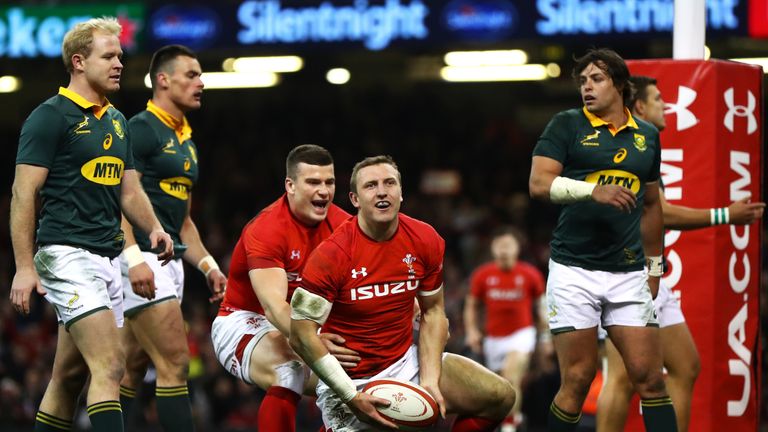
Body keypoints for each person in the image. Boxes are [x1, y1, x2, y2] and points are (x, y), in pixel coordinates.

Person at [9, 17, 173, 432]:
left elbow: (129, 190)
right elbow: (23, 194)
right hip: (66, 254)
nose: (120, 62)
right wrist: (25, 267)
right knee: (111, 365)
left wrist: (154, 227)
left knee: (69, 376)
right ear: (79, 61)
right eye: (110, 55)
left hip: (107, 257)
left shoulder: (118, 120)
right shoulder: (49, 117)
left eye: (120, 55)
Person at [289, 155, 516, 432]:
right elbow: (301, 334)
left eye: (390, 183)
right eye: (371, 185)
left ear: (401, 192)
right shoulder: (331, 255)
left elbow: (433, 312)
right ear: (355, 199)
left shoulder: (425, 239)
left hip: (407, 361)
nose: (382, 191)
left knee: (500, 396)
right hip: (352, 379)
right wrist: (350, 395)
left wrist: (430, 379)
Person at [595, 75, 766, 432]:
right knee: (622, 377)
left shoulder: (646, 145)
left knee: (685, 365)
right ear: (639, 107)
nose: (665, 105)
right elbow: (659, 213)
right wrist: (724, 215)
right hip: (621, 276)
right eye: (658, 99)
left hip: (648, 277)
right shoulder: (627, 148)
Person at [528, 48, 677, 431]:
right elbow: (539, 184)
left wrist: (655, 264)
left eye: (597, 79)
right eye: (583, 81)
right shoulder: (567, 125)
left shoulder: (647, 137)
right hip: (573, 270)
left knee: (651, 378)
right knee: (578, 379)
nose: (587, 87)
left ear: (621, 85)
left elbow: (651, 205)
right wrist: (592, 191)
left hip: (627, 273)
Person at [117, 45, 228, 431]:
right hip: (141, 258)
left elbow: (184, 224)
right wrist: (131, 256)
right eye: (192, 74)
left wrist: (208, 265)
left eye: (201, 75)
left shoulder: (187, 142)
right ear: (163, 79)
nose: (201, 82)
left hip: (172, 262)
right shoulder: (140, 129)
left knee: (132, 366)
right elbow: (115, 198)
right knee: (175, 363)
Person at [211, 144, 357, 432]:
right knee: (288, 369)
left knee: (360, 380)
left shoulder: (345, 226)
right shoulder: (267, 229)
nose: (324, 191)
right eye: (313, 182)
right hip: (245, 322)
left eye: (329, 182)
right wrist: (312, 338)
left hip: (305, 325)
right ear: (290, 185)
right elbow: (274, 307)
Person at [464, 227, 547, 432]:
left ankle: (509, 427)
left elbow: (542, 307)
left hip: (522, 334)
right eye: (500, 245)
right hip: (493, 339)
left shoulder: (530, 274)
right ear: (493, 249)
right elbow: (472, 305)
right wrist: (472, 331)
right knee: (499, 388)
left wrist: (545, 338)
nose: (504, 250)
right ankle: (514, 417)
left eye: (508, 245)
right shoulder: (482, 275)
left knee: (511, 378)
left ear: (517, 248)